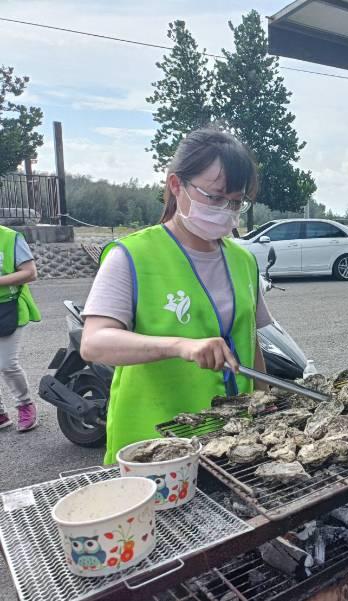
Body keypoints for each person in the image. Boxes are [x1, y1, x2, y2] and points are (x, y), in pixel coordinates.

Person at [81, 127, 273, 464]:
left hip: (230, 440)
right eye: (214, 196)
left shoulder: (243, 260)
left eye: (236, 201)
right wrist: (181, 346)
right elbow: (94, 343)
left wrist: (265, 404)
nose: (225, 209)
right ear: (176, 185)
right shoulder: (131, 255)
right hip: (152, 443)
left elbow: (250, 339)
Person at [0, 226, 40, 432]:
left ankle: (25, 404)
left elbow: (30, 273)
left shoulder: (10, 237)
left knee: (7, 364)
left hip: (8, 307)